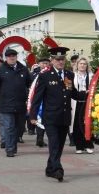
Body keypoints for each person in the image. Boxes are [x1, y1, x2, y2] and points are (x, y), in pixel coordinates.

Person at [29, 47, 73, 181]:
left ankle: (49, 168)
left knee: (59, 145)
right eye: (57, 60)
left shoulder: (69, 74)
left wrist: (87, 95)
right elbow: (37, 97)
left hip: (65, 116)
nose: (60, 62)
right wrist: (32, 115)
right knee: (54, 143)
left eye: (62, 59)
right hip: (51, 117)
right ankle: (58, 169)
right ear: (52, 61)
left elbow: (72, 93)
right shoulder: (44, 75)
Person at [0, 49, 31, 157]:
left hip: (20, 104)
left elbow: (30, 84)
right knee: (9, 127)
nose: (12, 58)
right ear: (6, 58)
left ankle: (13, 146)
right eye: (9, 56)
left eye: (13, 56)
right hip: (5, 104)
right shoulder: (0, 70)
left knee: (19, 128)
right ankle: (10, 148)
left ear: (16, 57)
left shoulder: (23, 69)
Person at [71, 58, 94, 154]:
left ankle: (88, 144)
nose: (82, 65)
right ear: (77, 65)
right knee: (76, 124)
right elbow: (71, 89)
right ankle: (79, 146)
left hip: (88, 102)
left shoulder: (91, 76)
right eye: (80, 63)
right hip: (76, 102)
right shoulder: (72, 75)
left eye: (84, 64)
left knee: (88, 123)